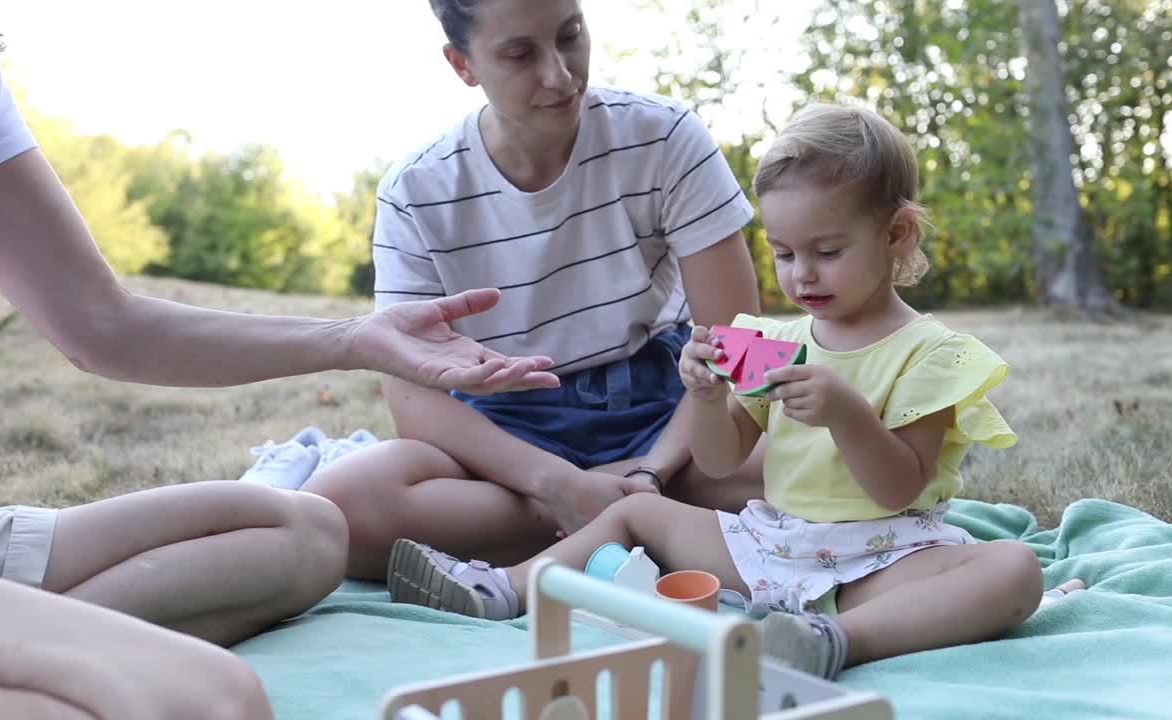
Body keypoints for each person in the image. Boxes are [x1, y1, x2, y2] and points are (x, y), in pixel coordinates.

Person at [0, 2, 559, 717]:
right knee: (213, 698)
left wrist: (353, 340)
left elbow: (103, 324)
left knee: (305, 532)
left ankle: (20, 648)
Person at [384, 102, 1054, 680]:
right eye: (786, 254)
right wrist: (706, 399)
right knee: (637, 514)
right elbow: (720, 461)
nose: (802, 277)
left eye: (826, 251)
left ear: (896, 234)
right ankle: (502, 589)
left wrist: (848, 414)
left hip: (884, 556)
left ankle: (835, 641)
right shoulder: (773, 338)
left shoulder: (931, 354)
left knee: (1015, 570)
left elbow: (898, 489)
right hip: (776, 547)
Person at [303, 0, 763, 579]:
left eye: (570, 36)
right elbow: (412, 394)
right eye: (520, 54)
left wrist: (653, 469)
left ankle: (613, 515)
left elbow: (739, 344)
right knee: (344, 507)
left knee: (820, 457)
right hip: (505, 436)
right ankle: (643, 522)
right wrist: (554, 483)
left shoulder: (665, 136)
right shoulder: (417, 189)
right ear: (463, 65)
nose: (560, 75)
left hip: (666, 413)